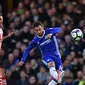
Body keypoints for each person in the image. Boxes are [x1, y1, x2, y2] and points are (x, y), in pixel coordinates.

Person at [0, 13, 15, 85]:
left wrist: (7, 36)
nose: (1, 21)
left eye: (2, 19)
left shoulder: (1, 31)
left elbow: (0, 40)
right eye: (0, 19)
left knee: (2, 71)